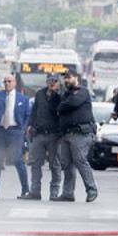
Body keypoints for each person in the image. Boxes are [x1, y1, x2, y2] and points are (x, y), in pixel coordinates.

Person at [0, 75, 31, 199]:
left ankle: (25, 190)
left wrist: (23, 129)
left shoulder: (23, 99)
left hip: (15, 132)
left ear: (14, 83)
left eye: (9, 81)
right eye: (5, 82)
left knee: (18, 160)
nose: (7, 83)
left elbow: (28, 115)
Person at [56, 70, 98, 202]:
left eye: (69, 77)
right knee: (66, 164)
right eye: (65, 78)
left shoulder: (83, 91)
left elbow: (72, 103)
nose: (66, 80)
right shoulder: (66, 94)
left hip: (81, 133)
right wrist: (63, 104)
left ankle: (92, 189)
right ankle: (68, 193)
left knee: (80, 160)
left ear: (76, 78)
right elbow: (59, 108)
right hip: (67, 133)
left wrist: (64, 105)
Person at [22, 73, 63, 200]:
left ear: (58, 83)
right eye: (50, 80)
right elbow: (34, 111)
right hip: (38, 133)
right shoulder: (40, 94)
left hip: (54, 135)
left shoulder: (61, 96)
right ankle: (35, 191)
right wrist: (30, 125)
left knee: (55, 165)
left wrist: (56, 94)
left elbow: (61, 112)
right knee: (35, 163)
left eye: (55, 80)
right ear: (46, 81)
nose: (52, 83)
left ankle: (54, 192)